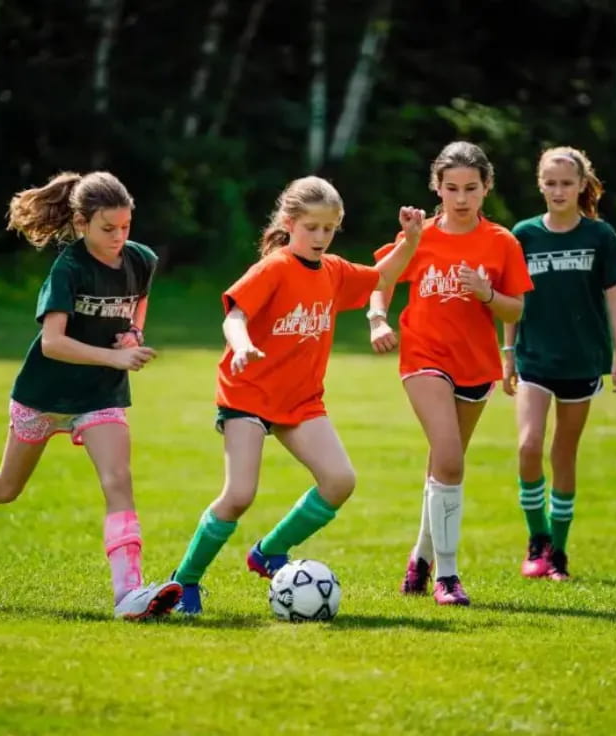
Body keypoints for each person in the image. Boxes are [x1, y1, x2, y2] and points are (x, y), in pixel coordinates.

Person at [0, 171, 183, 620]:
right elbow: (53, 343)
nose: (119, 237)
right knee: (5, 488)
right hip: (45, 393)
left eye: (125, 227)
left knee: (119, 481)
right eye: (107, 229)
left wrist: (133, 334)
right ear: (81, 223)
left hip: (99, 395)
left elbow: (138, 302)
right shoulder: (70, 268)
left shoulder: (140, 259)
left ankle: (129, 595)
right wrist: (113, 358)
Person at [169, 175, 425, 615]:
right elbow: (235, 315)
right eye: (312, 228)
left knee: (340, 481)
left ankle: (270, 551)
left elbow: (383, 277)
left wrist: (411, 240)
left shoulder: (334, 271)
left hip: (300, 401)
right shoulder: (274, 268)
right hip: (247, 394)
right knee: (239, 496)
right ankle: (184, 582)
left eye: (329, 229)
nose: (321, 237)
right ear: (290, 223)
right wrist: (242, 343)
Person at [368, 141, 533, 606]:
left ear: (486, 188)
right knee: (450, 456)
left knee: (443, 463)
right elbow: (378, 280)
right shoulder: (419, 235)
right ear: (436, 188)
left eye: (471, 189)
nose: (461, 198)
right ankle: (448, 575)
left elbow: (516, 306)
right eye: (451, 188)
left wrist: (486, 294)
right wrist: (377, 319)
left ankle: (419, 558)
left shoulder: (502, 242)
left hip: (476, 365)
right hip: (424, 356)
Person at [502, 146, 616, 581]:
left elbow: (615, 299)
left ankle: (558, 553)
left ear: (581, 186)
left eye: (566, 183)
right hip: (534, 359)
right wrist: (508, 355)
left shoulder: (600, 236)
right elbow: (513, 301)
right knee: (527, 445)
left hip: (581, 361)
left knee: (563, 454)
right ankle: (536, 540)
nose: (558, 191)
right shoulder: (523, 235)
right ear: (541, 185)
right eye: (551, 183)